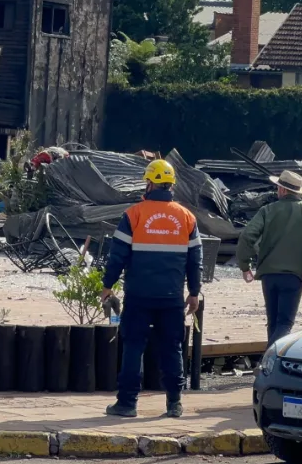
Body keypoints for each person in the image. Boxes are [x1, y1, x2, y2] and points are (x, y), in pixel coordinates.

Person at [102, 159, 202, 419]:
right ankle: (174, 404)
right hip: (171, 298)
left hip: (138, 296)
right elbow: (195, 260)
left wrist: (107, 285)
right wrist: (193, 291)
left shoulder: (134, 214)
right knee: (172, 348)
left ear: (149, 183)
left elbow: (117, 256)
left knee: (133, 347)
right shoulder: (187, 217)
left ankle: (127, 404)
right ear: (171, 185)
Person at [236, 170, 302, 347]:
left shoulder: (267, 211)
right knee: (285, 323)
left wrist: (245, 266)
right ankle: (267, 363)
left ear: (282, 190)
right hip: (294, 276)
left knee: (273, 322)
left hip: (268, 275)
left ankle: (268, 365)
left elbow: (247, 236)